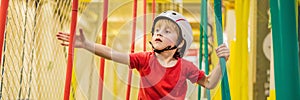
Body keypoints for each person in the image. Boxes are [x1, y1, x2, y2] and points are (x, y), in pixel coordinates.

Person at [56, 10, 230, 99]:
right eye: (157, 30)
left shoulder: (185, 67)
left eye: (167, 31)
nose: (159, 33)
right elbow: (112, 53)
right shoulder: (144, 59)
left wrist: (223, 61)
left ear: (180, 43)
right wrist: (86, 44)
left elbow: (209, 83)